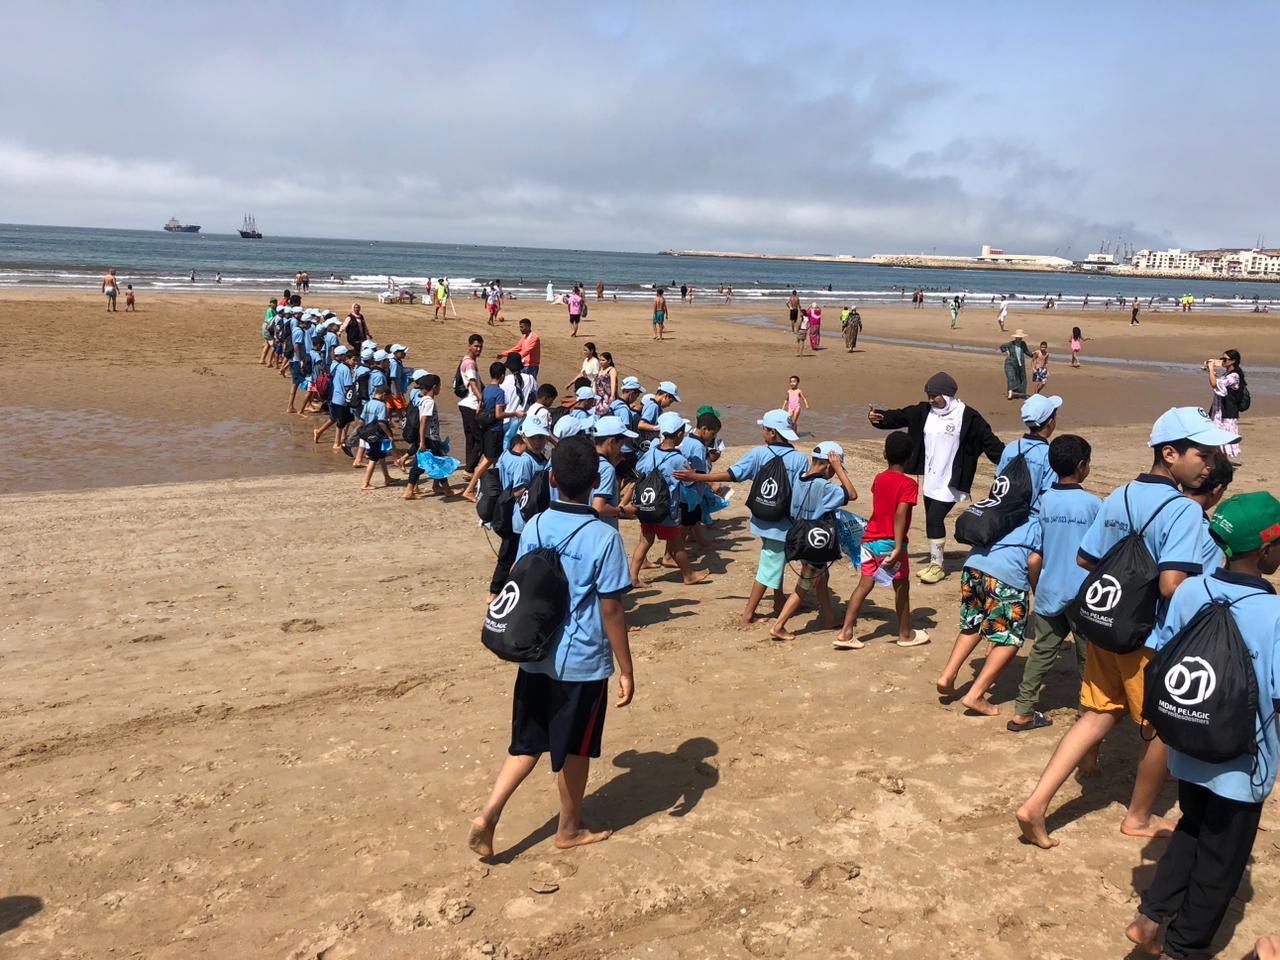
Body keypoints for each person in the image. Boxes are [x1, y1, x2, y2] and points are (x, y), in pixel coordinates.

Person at [1015, 407, 1240, 849]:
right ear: (1170, 454)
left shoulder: (1120, 494)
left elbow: (1086, 558)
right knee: (1162, 729)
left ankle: (1036, 803)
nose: (1210, 464)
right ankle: (1137, 817)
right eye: (1203, 453)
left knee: (1098, 713)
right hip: (1149, 639)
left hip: (1107, 625)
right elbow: (1173, 585)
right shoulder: (1183, 510)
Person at [1124, 492, 1280, 960]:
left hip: (1188, 743)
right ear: (1266, 551)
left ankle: (1151, 916)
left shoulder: (1190, 591)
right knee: (1222, 859)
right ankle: (1184, 946)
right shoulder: (1274, 614)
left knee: (1192, 825)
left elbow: (1167, 653)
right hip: (1241, 761)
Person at [468, 435, 635, 859]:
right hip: (581, 662)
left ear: (553, 478)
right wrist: (626, 669)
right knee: (575, 749)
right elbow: (612, 609)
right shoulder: (604, 538)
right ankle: (569, 829)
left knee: (525, 744)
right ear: (597, 481)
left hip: (535, 655)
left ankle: (488, 813)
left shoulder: (536, 524)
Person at [674, 410, 812, 624]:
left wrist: (698, 477)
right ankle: (748, 614)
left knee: (773, 559)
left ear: (772, 432)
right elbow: (802, 494)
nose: (762, 432)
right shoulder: (800, 459)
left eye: (764, 429)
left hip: (762, 518)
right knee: (770, 564)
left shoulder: (758, 454)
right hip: (783, 522)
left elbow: (732, 474)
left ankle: (777, 600)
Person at [868, 372, 1003, 584]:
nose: (931, 400)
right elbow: (901, 415)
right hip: (932, 478)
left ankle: (938, 566)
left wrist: (1008, 461)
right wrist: (880, 417)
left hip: (952, 480)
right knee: (932, 519)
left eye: (934, 396)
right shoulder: (925, 411)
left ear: (947, 395)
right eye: (928, 396)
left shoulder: (968, 416)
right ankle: (934, 561)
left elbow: (990, 443)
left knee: (935, 518)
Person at [1007, 434, 1100, 732]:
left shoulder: (1044, 502)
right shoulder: (1093, 504)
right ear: (1082, 465)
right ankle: (1086, 710)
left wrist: (1038, 588)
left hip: (1049, 587)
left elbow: (1035, 557)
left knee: (1042, 651)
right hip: (1084, 593)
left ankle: (1023, 709)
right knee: (1088, 656)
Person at [935, 502, 1042, 716]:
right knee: (1010, 637)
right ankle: (975, 695)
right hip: (1006, 575)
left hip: (974, 566)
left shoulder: (1007, 509)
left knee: (973, 623)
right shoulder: (1039, 523)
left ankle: (947, 676)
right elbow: (1034, 560)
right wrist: (1036, 590)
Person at [768, 443, 858, 642]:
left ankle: (829, 618)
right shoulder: (823, 486)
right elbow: (851, 494)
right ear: (829, 466)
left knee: (821, 578)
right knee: (804, 585)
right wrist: (840, 470)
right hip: (816, 541)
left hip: (801, 537)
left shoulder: (799, 478)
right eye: (833, 469)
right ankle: (779, 626)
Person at [629, 412, 709, 586]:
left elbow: (639, 468)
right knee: (678, 544)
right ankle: (688, 575)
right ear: (679, 434)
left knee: (645, 541)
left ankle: (632, 577)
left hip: (646, 505)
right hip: (666, 509)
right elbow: (688, 482)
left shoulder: (651, 452)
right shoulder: (678, 459)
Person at [488, 417, 551, 598]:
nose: (538, 442)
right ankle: (496, 592)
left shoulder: (541, 458)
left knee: (523, 556)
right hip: (522, 519)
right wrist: (537, 489)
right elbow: (517, 490)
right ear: (524, 437)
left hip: (535, 517)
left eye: (541, 437)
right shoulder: (525, 461)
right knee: (511, 556)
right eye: (533, 438)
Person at [460, 361, 513, 502]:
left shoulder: (486, 390)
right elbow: (499, 415)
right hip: (494, 431)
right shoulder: (499, 392)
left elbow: (481, 408)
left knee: (496, 460)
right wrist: (515, 414)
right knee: (487, 461)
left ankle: (498, 487)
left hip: (486, 429)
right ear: (502, 376)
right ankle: (469, 489)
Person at [591, 417, 638, 527]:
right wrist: (623, 511)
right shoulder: (606, 469)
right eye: (620, 445)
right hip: (602, 528)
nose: (620, 450)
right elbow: (598, 507)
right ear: (612, 442)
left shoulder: (587, 459)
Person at [1206, 348, 1245, 464]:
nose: (1222, 361)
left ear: (1233, 361)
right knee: (1216, 438)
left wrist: (1211, 369)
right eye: (1221, 358)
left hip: (1227, 413)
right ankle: (1219, 463)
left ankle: (1222, 464)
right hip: (1218, 411)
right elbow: (1218, 383)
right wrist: (1211, 371)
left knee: (1224, 439)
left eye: (1225, 359)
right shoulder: (1227, 374)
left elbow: (1215, 384)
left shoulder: (1235, 376)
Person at [358, 386, 396, 491]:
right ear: (384, 395)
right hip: (377, 434)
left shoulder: (368, 403)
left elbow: (361, 420)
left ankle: (387, 478)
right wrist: (389, 434)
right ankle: (366, 483)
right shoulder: (381, 405)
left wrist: (363, 431)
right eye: (387, 397)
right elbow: (381, 422)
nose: (387, 400)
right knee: (373, 458)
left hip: (368, 434)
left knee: (381, 456)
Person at [1000, 329, 1031, 400]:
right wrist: (1007, 351)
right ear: (1015, 337)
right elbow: (1002, 347)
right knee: (1011, 377)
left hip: (1020, 364)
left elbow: (1027, 352)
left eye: (1021, 337)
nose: (1020, 339)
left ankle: (1022, 393)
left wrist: (1033, 355)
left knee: (1022, 378)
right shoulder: (1011, 343)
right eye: (1018, 337)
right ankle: (1010, 394)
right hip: (1010, 363)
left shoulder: (1023, 344)